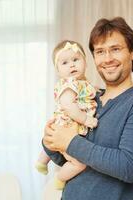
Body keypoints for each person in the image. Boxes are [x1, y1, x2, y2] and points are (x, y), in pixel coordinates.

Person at [42, 17, 133, 200]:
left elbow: (129, 167)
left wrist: (70, 142)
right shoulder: (87, 98)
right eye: (100, 51)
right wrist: (50, 140)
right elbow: (63, 159)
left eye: (115, 49)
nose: (107, 59)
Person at [35, 40, 98, 189]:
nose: (72, 65)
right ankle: (59, 179)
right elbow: (69, 106)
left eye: (76, 60)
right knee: (79, 163)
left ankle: (41, 161)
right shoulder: (69, 85)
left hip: (64, 126)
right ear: (57, 70)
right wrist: (86, 119)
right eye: (65, 63)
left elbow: (84, 95)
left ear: (85, 62)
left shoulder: (81, 83)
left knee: (51, 142)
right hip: (68, 127)